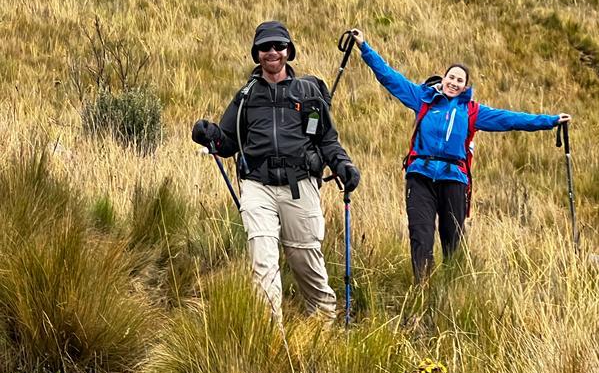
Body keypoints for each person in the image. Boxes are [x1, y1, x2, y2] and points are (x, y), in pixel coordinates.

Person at [350, 29, 570, 280]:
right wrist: (364, 47)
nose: (454, 83)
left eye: (459, 81)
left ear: (465, 86)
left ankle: (452, 288)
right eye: (451, 78)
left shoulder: (473, 111)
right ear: (443, 79)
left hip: (454, 179)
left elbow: (511, 119)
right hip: (420, 175)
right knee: (420, 234)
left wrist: (550, 121)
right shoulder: (423, 99)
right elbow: (389, 77)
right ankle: (424, 288)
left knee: (452, 238)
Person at [192, 21, 360, 325]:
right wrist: (210, 134)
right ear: (256, 54)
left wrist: (342, 165)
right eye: (265, 47)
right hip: (258, 186)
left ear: (289, 51)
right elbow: (228, 142)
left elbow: (326, 139)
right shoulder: (245, 97)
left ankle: (325, 324)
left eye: (279, 46)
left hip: (301, 185)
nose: (273, 52)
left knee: (305, 260)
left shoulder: (308, 93)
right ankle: (271, 335)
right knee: (263, 260)